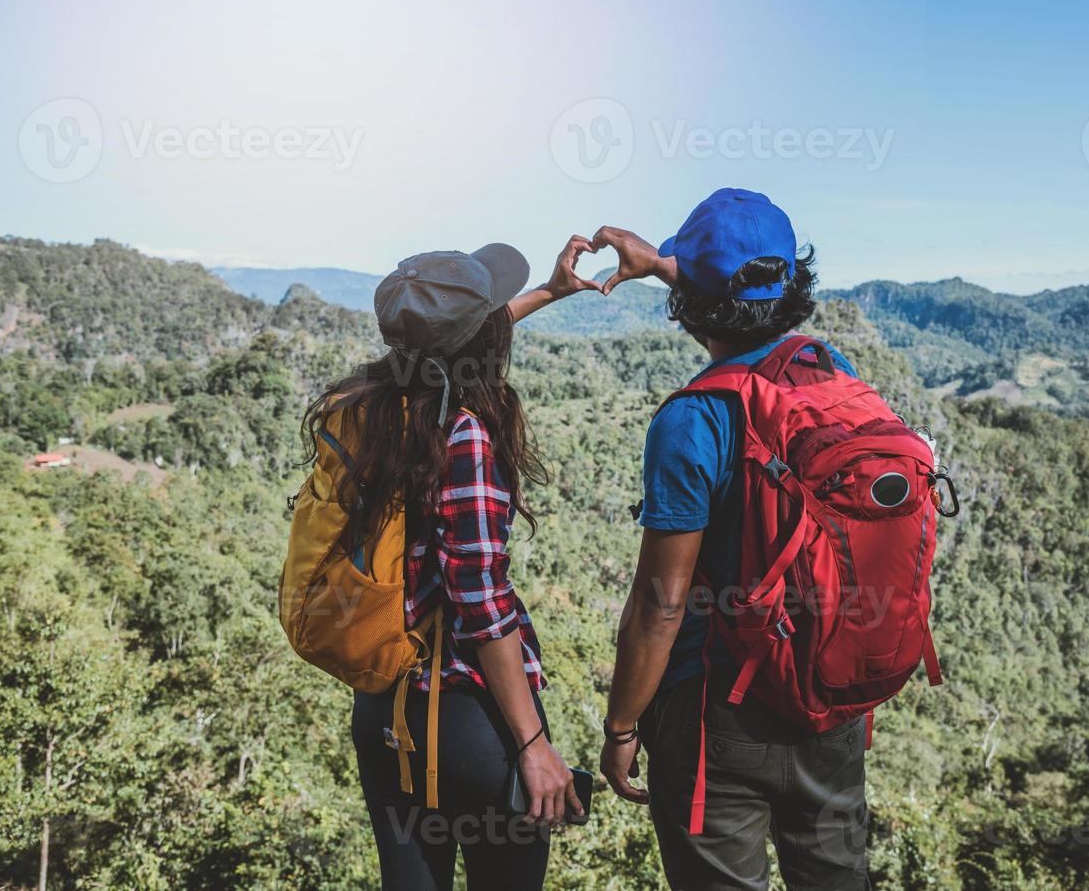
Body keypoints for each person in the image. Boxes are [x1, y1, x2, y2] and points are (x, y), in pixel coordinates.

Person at [594, 189, 872, 890]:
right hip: (828, 695)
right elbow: (746, 308)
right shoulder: (830, 374)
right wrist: (666, 265)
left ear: (692, 303)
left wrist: (622, 726)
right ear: (793, 282)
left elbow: (660, 605)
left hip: (717, 715)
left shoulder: (692, 421)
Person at [303, 237, 601, 891]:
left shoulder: (362, 407)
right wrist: (531, 746)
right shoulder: (463, 435)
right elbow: (482, 604)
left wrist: (548, 292)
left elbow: (444, 351)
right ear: (479, 344)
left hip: (384, 712)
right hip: (469, 724)